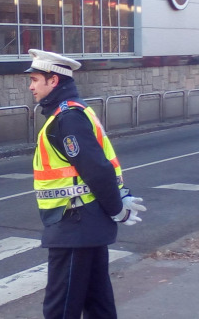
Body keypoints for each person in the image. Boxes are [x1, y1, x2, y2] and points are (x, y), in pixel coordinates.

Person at [27, 49, 147, 319]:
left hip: (74, 224)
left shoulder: (66, 118)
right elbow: (98, 166)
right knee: (98, 304)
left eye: (35, 79)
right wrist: (118, 200)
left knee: (61, 309)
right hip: (86, 224)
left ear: (53, 81)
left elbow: (96, 169)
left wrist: (117, 207)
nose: (31, 86)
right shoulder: (74, 112)